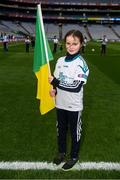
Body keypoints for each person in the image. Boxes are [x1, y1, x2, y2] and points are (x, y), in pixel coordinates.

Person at [48, 30, 89, 170]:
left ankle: (74, 156)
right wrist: (53, 89)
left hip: (74, 106)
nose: (71, 47)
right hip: (60, 104)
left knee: (74, 131)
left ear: (81, 44)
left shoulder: (81, 64)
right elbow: (55, 81)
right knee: (61, 130)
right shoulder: (59, 61)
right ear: (64, 44)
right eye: (68, 43)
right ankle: (61, 152)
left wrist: (56, 82)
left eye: (75, 44)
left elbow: (76, 86)